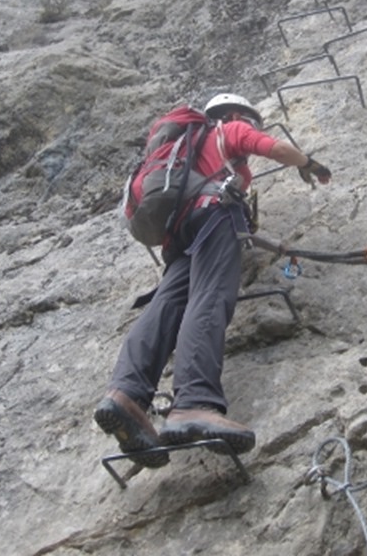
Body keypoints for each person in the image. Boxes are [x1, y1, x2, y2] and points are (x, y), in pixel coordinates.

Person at [94, 93, 332, 466]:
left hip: (177, 236)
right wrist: (309, 163)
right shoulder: (227, 130)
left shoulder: (178, 149)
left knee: (165, 306)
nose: (251, 127)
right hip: (215, 217)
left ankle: (126, 395)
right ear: (234, 114)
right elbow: (275, 148)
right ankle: (193, 403)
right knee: (210, 297)